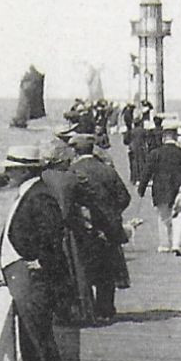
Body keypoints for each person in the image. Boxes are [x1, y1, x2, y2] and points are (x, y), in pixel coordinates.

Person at [0, 145, 74, 361]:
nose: (7, 172)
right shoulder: (32, 193)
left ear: (24, 169)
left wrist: (43, 262)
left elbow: (53, 233)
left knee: (36, 344)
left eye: (11, 168)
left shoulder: (38, 196)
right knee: (36, 344)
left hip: (32, 281)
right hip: (23, 278)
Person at [68, 133, 132, 322]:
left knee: (85, 268)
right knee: (107, 270)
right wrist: (112, 213)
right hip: (109, 228)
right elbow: (125, 197)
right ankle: (106, 309)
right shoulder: (107, 170)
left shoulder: (72, 171)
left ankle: (88, 309)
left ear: (75, 150)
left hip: (84, 228)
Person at [139, 128, 181, 253]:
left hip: (161, 189)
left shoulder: (155, 153)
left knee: (163, 217)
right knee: (180, 216)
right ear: (175, 138)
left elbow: (146, 173)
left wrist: (141, 189)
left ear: (163, 138)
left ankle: (165, 244)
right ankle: (179, 243)